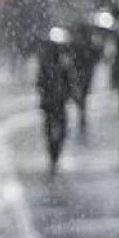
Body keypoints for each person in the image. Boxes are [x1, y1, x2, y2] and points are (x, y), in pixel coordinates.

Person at [37, 32, 73, 172]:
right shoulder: (47, 63)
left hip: (58, 102)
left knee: (60, 128)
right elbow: (40, 82)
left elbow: (69, 81)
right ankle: (53, 152)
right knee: (52, 128)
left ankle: (55, 151)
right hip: (51, 103)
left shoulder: (63, 62)